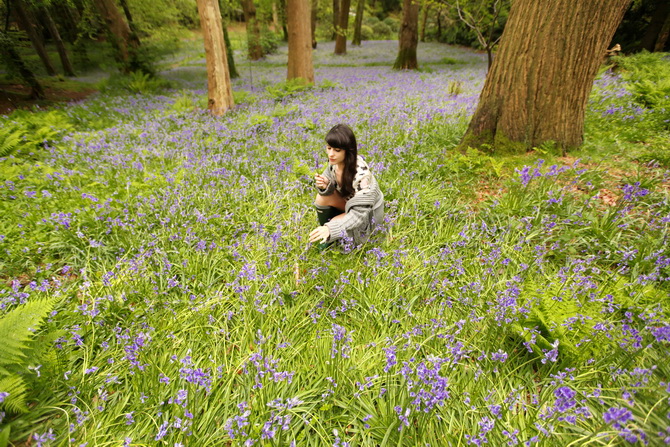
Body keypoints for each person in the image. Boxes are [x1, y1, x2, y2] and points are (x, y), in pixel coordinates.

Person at [308, 124, 384, 248]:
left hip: (367, 214)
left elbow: (359, 214)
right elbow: (330, 186)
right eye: (329, 148)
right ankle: (326, 233)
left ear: (348, 151)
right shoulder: (334, 164)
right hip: (348, 204)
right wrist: (325, 185)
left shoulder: (362, 177)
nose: (331, 154)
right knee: (321, 198)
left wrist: (331, 228)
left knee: (334, 225)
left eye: (337, 150)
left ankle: (329, 235)